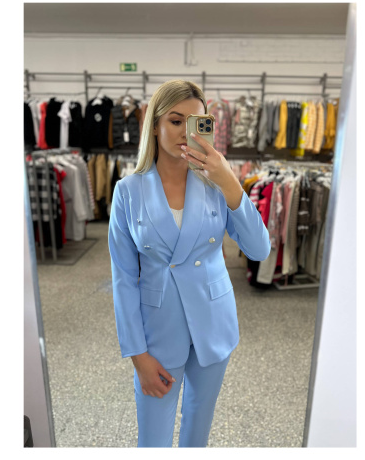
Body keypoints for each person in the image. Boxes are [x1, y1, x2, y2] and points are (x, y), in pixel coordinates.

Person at [108, 80, 271, 448]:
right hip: (158, 332)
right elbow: (123, 279)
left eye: (197, 122)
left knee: (198, 433)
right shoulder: (128, 191)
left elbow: (260, 249)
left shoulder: (217, 184)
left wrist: (229, 181)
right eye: (176, 121)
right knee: (153, 440)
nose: (186, 132)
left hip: (214, 324)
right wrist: (137, 355)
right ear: (155, 125)